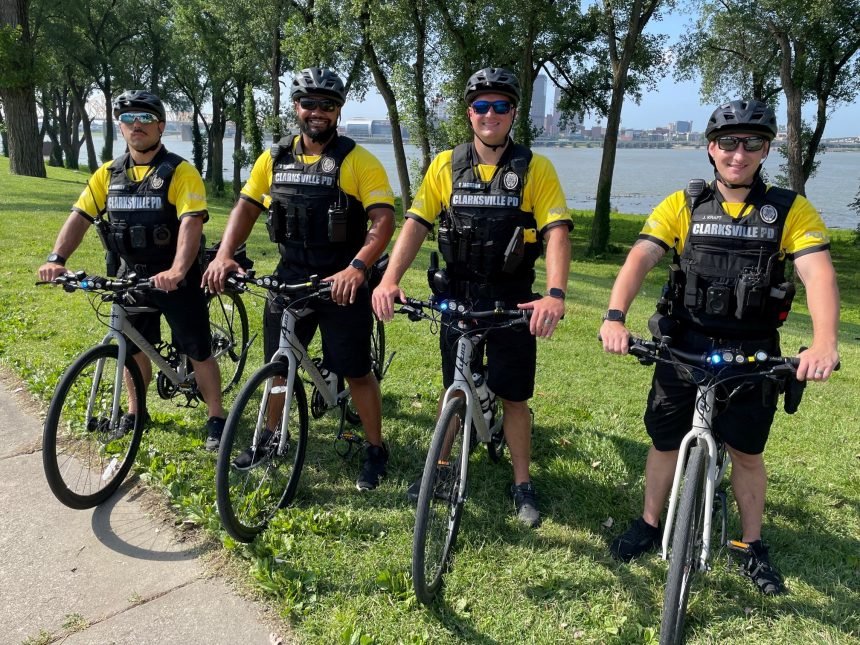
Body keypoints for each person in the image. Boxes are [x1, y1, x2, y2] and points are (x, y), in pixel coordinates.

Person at [600, 99, 840, 594]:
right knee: (665, 441)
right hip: (684, 344)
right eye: (728, 142)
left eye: (752, 143)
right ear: (711, 148)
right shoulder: (684, 204)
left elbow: (816, 271)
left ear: (765, 149)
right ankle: (649, 524)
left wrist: (824, 342)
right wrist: (614, 316)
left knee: (747, 454)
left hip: (754, 351)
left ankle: (751, 545)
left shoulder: (789, 209)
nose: (739, 153)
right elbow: (642, 256)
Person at [372, 67, 572, 527]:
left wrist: (556, 294)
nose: (490, 114)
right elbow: (416, 224)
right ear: (469, 114)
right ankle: (440, 470)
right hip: (458, 297)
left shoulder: (533, 168)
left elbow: (557, 232)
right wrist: (389, 279)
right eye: (482, 106)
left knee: (515, 397)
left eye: (500, 106)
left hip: (513, 300)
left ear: (513, 114)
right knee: (454, 389)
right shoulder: (446, 165)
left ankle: (522, 481)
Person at [202, 67, 395, 491]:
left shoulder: (358, 161)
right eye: (309, 104)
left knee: (358, 372)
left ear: (338, 111)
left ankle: (375, 448)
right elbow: (247, 207)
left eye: (327, 105)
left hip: (342, 280)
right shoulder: (274, 158)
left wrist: (358, 268)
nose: (317, 112)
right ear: (297, 108)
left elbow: (383, 221)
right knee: (278, 368)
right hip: (290, 276)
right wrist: (223, 255)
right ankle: (271, 438)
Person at [37, 90, 227, 449]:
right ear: (120, 128)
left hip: (176, 275)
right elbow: (79, 217)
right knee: (132, 347)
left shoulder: (180, 172)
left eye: (144, 118)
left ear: (160, 126)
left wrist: (178, 270)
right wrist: (56, 259)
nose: (135, 124)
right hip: (131, 274)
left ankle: (216, 415)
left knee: (197, 349)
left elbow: (190, 223)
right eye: (127, 119)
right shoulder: (108, 174)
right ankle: (136, 411)